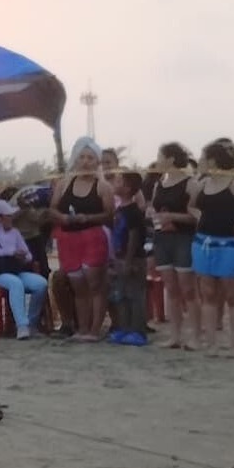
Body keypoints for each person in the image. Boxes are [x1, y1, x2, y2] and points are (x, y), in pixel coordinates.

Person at [49, 137, 116, 342]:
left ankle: (95, 330)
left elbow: (109, 214)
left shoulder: (102, 187)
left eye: (90, 158)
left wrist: (87, 218)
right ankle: (82, 328)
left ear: (97, 162)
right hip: (68, 238)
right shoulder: (63, 184)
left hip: (93, 237)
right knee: (78, 286)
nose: (86, 162)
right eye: (82, 157)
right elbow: (52, 209)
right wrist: (62, 218)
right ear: (75, 160)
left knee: (95, 285)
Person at [148, 143, 201, 349]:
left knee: (188, 289)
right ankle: (175, 335)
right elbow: (154, 207)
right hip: (162, 237)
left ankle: (195, 336)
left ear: (170, 159)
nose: (158, 160)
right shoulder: (159, 183)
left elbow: (197, 217)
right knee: (171, 289)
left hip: (183, 238)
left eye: (160, 156)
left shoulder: (190, 184)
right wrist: (153, 215)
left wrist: (173, 216)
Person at [189, 139, 234, 356]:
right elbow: (191, 206)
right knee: (207, 293)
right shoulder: (202, 184)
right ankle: (211, 343)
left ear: (213, 160)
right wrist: (198, 216)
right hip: (203, 243)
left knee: (233, 296)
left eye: (203, 157)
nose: (200, 161)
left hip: (229, 244)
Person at [0, 200, 49, 339]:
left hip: (14, 269)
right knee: (15, 283)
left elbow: (28, 254)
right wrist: (10, 251)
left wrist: (24, 256)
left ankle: (31, 323)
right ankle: (21, 326)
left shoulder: (15, 232)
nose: (12, 218)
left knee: (41, 283)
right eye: (8, 215)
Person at [108, 173, 150, 346]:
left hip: (133, 259)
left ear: (126, 188)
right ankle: (124, 328)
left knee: (135, 295)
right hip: (119, 257)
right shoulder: (119, 210)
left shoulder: (133, 212)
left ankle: (138, 330)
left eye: (118, 181)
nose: (114, 184)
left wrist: (129, 259)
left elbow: (134, 236)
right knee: (121, 294)